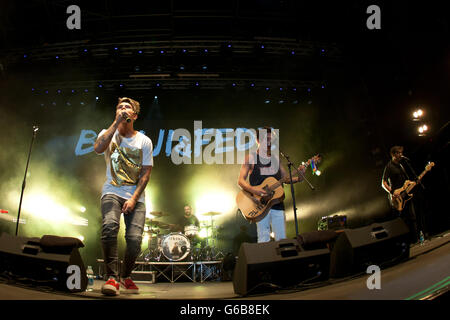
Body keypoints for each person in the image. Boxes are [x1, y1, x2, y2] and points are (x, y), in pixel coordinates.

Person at [94, 97, 153, 296]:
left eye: (127, 107)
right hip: (112, 190)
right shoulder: (107, 133)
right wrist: (116, 123)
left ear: (134, 115)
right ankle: (111, 278)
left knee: (135, 239)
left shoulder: (144, 141)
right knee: (110, 226)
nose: (123, 109)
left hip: (136, 196)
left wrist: (134, 198)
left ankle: (126, 276)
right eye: (120, 107)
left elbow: (146, 173)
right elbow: (98, 148)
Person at [237, 127, 306, 243]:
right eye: (266, 138)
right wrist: (254, 190)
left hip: (277, 204)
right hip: (259, 205)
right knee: (264, 240)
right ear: (258, 140)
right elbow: (240, 181)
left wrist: (299, 178)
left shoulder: (276, 159)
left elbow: (286, 178)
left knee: (282, 240)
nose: (269, 141)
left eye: (270, 138)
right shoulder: (251, 157)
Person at [381, 146, 423, 244]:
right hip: (397, 198)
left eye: (401, 152)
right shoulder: (389, 166)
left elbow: (406, 182)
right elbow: (383, 183)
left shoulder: (401, 165)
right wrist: (392, 192)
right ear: (393, 154)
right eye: (398, 153)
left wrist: (414, 182)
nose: (401, 155)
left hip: (406, 195)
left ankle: (416, 239)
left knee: (412, 217)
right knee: (402, 220)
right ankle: (404, 243)